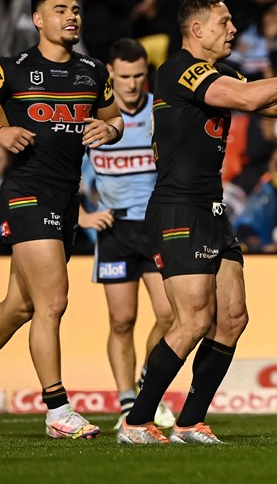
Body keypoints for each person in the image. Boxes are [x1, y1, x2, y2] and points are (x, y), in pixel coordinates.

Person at [116, 0, 277, 444]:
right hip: (179, 207)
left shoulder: (219, 73)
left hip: (211, 209)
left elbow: (271, 105)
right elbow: (247, 97)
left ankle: (189, 421)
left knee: (232, 317)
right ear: (197, 29)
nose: (233, 29)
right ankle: (135, 421)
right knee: (193, 321)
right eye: (224, 21)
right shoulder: (179, 69)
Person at [0, 0, 123, 441]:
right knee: (53, 301)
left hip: (64, 199)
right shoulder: (11, 68)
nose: (71, 17)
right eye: (60, 10)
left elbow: (114, 119)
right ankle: (57, 409)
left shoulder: (94, 72)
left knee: (20, 306)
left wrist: (108, 131)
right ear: (38, 19)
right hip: (26, 192)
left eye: (76, 10)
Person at [80, 38, 176, 430]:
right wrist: (82, 215)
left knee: (170, 314)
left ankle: (147, 381)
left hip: (156, 227)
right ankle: (126, 401)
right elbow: (64, 166)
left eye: (139, 76)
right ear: (110, 74)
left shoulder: (161, 111)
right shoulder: (91, 115)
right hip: (115, 229)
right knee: (122, 320)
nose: (132, 84)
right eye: (124, 76)